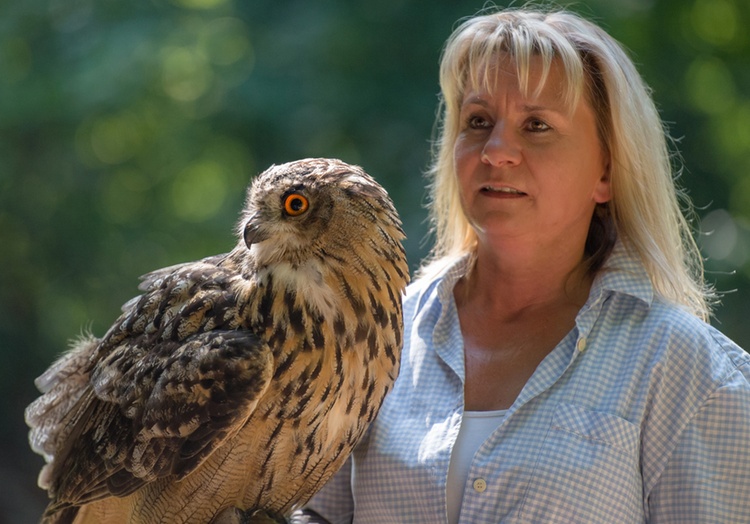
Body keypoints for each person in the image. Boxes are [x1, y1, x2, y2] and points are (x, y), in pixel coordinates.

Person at [295, 6, 750, 523]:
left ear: (607, 170)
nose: (497, 150)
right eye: (478, 121)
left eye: (537, 125)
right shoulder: (375, 336)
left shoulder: (686, 367)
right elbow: (315, 515)